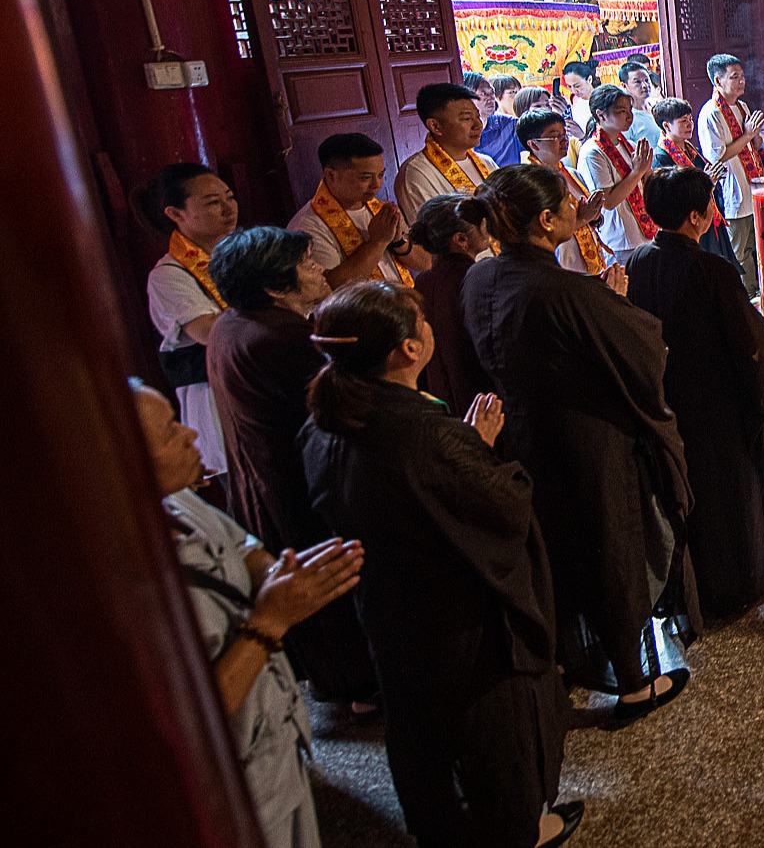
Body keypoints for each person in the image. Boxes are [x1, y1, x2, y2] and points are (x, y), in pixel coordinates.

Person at [298, 283, 581, 848]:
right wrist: (480, 445)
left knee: (418, 738)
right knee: (488, 742)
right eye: (420, 321)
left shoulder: (323, 425)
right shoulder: (428, 437)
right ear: (408, 349)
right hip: (461, 620)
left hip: (388, 609)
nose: (428, 327)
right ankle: (516, 831)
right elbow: (505, 508)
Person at [462, 164, 694, 717]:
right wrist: (615, 304)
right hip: (587, 441)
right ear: (546, 220)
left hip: (518, 433)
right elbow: (642, 351)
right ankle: (635, 682)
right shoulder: (564, 290)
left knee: (553, 550)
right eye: (567, 203)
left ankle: (568, 661)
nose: (577, 206)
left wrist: (598, 305)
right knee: (610, 550)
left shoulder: (480, 278)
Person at [137, 379, 360, 848]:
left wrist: (283, 575)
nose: (191, 435)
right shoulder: (128, 579)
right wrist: (271, 619)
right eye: (170, 432)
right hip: (231, 773)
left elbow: (242, 545)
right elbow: (190, 715)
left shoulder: (178, 501)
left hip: (274, 739)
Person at [206, 226, 377, 708]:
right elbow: (343, 408)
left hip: (262, 477)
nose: (319, 268)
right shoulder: (283, 337)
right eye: (305, 265)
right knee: (332, 585)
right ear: (274, 288)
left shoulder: (230, 324)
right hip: (300, 482)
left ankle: (338, 680)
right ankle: (358, 686)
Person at [625, 168, 764, 621]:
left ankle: (693, 587)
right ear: (698, 217)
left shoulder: (639, 261)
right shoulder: (711, 269)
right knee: (727, 495)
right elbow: (748, 341)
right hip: (716, 403)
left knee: (685, 493)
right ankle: (735, 586)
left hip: (669, 399)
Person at [140, 162, 238, 475]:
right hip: (218, 406)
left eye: (230, 197)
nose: (228, 208)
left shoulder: (240, 254)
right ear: (175, 214)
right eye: (212, 202)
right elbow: (210, 331)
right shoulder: (168, 275)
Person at [290, 133, 422, 290]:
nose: (377, 184)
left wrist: (398, 242)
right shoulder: (308, 226)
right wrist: (377, 242)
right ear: (331, 175)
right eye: (365, 178)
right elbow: (327, 288)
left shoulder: (381, 209)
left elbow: (426, 264)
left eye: (380, 175)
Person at [407, 195, 496, 415]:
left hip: (442, 393)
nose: (486, 227)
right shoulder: (478, 278)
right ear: (461, 240)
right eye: (479, 224)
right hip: (480, 392)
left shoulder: (424, 281)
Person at [696, 54, 764, 298]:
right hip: (733, 193)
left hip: (753, 188)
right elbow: (718, 156)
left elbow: (752, 146)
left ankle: (762, 291)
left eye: (742, 76)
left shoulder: (742, 106)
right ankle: (745, 296)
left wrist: (756, 136)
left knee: (759, 246)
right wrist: (748, 136)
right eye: (734, 77)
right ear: (718, 80)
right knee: (740, 250)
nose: (741, 81)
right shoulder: (711, 113)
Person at [517, 109, 613, 278]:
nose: (564, 141)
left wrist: (594, 214)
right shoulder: (529, 183)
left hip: (589, 261)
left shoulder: (571, 174)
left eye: (564, 134)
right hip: (560, 265)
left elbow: (589, 216)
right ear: (533, 144)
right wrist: (582, 218)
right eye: (554, 136)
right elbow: (539, 233)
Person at [394, 83, 497, 224]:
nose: (478, 125)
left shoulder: (486, 162)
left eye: (477, 116)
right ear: (435, 126)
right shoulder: (417, 172)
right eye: (467, 119)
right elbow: (434, 232)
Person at [575, 85, 657, 260]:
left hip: (643, 234)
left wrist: (647, 172)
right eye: (621, 111)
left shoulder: (628, 145)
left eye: (629, 110)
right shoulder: (593, 152)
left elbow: (644, 183)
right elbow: (608, 201)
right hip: (620, 241)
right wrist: (637, 171)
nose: (629, 116)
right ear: (601, 114)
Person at [475, 75, 525, 168]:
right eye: (483, 94)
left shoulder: (511, 125)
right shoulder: (456, 132)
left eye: (492, 93)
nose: (491, 98)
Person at [618, 64, 664, 149]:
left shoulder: (657, 105)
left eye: (647, 80)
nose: (644, 85)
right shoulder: (627, 118)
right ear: (624, 85)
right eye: (637, 82)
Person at [559, 60, 599, 134]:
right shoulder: (573, 100)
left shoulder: (601, 98)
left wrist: (582, 136)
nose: (573, 91)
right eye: (569, 86)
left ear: (589, 80)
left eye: (577, 86)